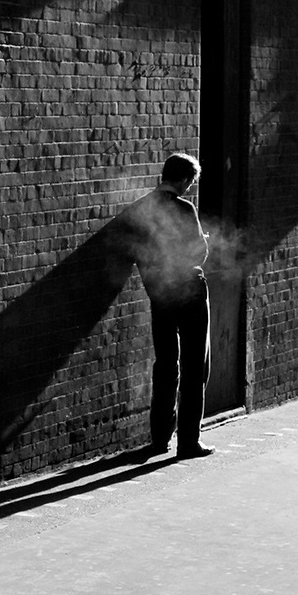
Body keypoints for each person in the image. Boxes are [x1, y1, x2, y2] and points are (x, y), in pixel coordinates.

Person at [116, 152, 215, 459]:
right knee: (194, 365)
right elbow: (198, 254)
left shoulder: (141, 207)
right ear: (184, 179)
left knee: (165, 366)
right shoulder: (184, 208)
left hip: (159, 295)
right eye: (191, 182)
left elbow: (135, 252)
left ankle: (160, 440)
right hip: (189, 292)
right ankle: (188, 441)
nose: (190, 188)